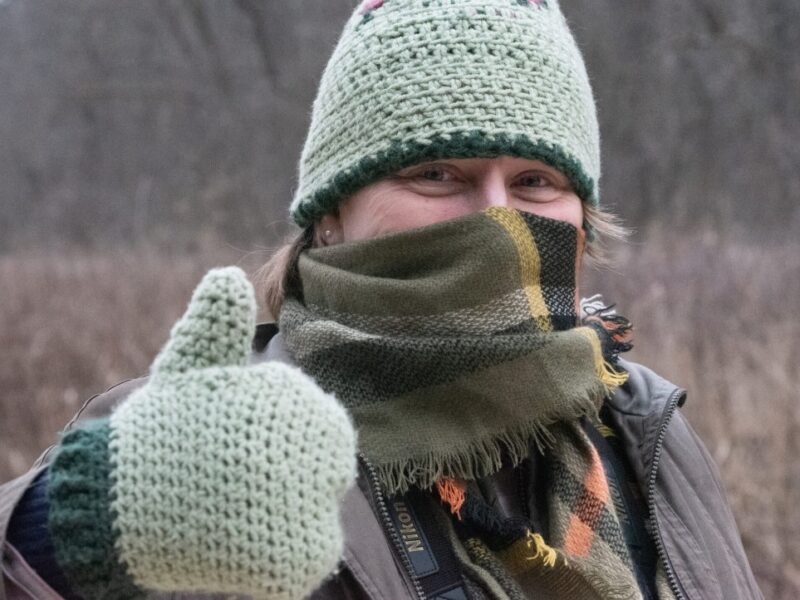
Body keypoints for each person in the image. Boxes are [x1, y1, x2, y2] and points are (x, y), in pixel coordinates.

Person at [0, 1, 763, 599]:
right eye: (437, 173)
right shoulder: (213, 431)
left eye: (537, 181)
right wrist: (71, 528)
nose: (498, 218)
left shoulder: (643, 429)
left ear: (583, 214)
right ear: (332, 214)